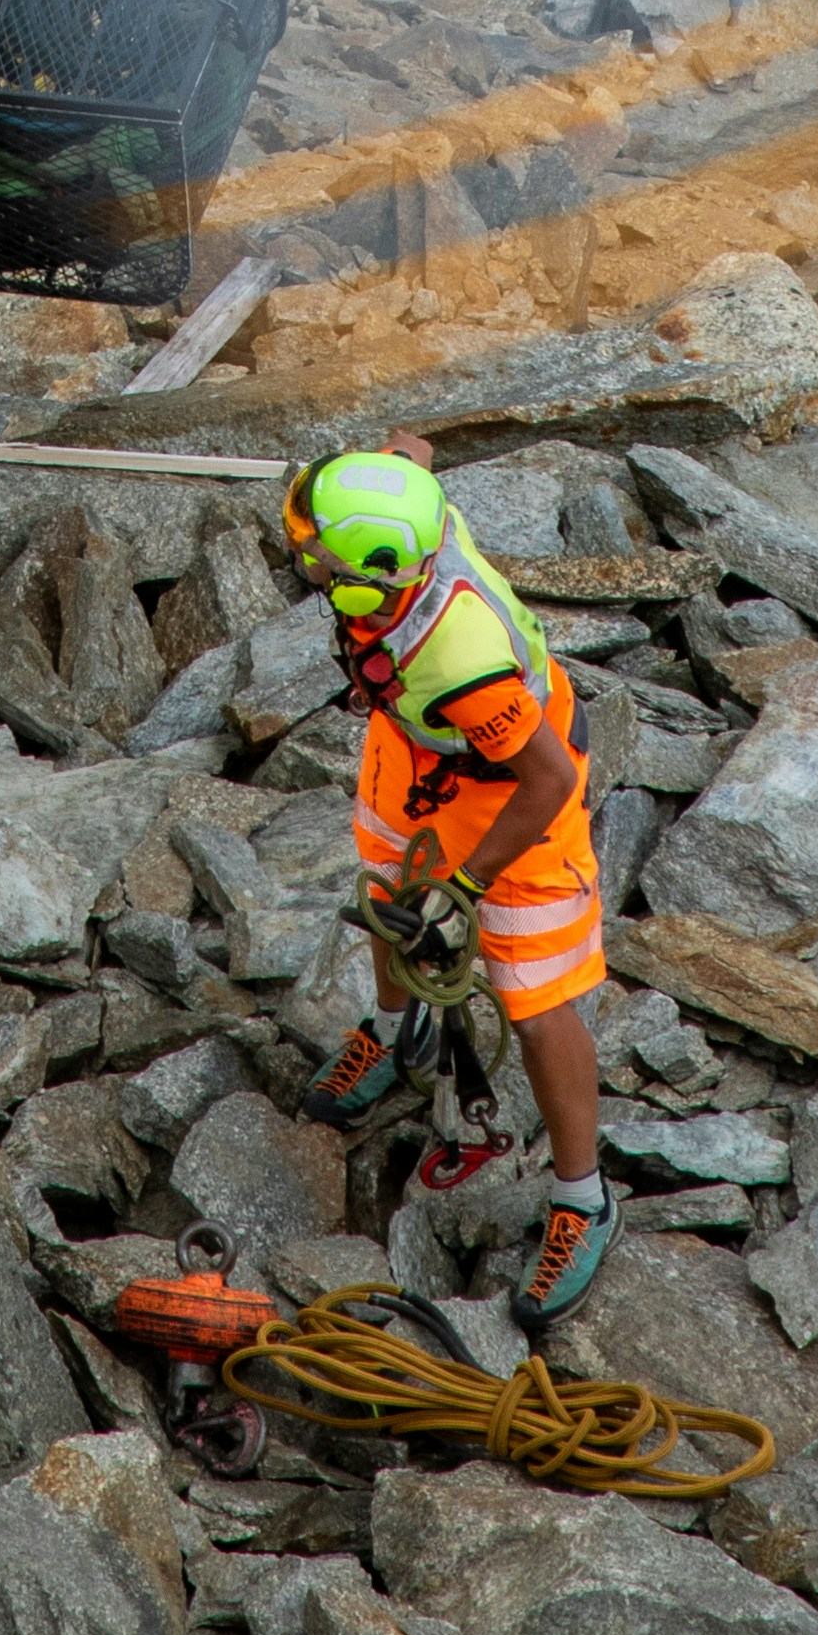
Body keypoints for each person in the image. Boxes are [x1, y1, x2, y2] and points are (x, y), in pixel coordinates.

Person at [278, 450, 617, 1332]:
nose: (302, 552)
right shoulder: (414, 511)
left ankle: (584, 1198)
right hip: (419, 751)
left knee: (535, 1004)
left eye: (317, 552)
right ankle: (397, 1036)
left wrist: (466, 885)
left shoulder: (465, 659)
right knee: (389, 898)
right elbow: (410, 453)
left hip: (511, 793)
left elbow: (544, 778)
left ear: (366, 582)